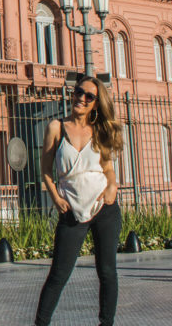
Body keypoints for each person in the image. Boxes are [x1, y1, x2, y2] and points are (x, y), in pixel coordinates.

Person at [34, 75, 124, 326]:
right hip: (72, 210)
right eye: (78, 92)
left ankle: (106, 323)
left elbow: (107, 169)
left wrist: (112, 188)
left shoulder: (99, 131)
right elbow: (46, 169)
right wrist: (55, 197)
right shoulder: (56, 127)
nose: (81, 98)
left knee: (107, 272)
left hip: (104, 209)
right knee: (59, 274)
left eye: (89, 96)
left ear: (95, 103)